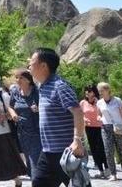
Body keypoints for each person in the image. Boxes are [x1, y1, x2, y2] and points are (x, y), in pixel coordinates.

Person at [27, 48, 85, 187]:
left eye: (32, 62)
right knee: (38, 183)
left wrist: (77, 140)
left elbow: (78, 112)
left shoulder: (60, 86)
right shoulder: (43, 86)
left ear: (43, 66)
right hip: (47, 152)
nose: (29, 65)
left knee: (80, 185)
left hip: (65, 152)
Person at [7, 69, 42, 179]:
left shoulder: (37, 92)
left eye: (21, 78)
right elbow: (10, 106)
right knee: (28, 160)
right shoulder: (15, 92)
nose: (18, 80)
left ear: (28, 80)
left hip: (37, 133)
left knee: (35, 161)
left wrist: (39, 109)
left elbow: (48, 106)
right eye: (16, 78)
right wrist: (13, 114)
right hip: (22, 133)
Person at [96, 82, 122, 181]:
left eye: (102, 90)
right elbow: (98, 114)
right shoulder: (99, 102)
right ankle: (113, 174)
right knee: (108, 151)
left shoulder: (117, 101)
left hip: (119, 127)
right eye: (99, 91)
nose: (100, 92)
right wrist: (99, 118)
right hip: (106, 128)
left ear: (108, 90)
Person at [78, 84, 107, 177]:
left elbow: (103, 113)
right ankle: (100, 169)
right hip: (89, 128)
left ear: (94, 92)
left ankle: (107, 168)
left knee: (101, 148)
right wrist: (84, 119)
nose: (87, 92)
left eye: (90, 90)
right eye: (86, 91)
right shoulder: (82, 103)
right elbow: (79, 114)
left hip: (100, 127)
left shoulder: (99, 102)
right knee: (93, 149)